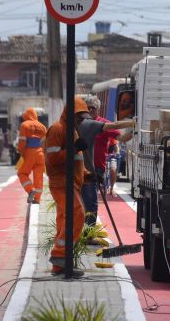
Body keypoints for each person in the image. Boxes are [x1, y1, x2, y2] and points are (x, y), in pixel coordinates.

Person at [44, 96, 91, 277]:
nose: (81, 120)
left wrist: (88, 175)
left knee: (64, 221)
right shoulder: (57, 129)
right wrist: (74, 147)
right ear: (70, 114)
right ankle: (60, 256)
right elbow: (53, 159)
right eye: (78, 116)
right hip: (61, 183)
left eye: (82, 117)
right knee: (75, 214)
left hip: (72, 183)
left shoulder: (73, 131)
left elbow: (77, 162)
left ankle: (59, 265)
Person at [77, 95, 134, 226]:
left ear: (97, 109)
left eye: (93, 108)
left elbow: (122, 138)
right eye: (88, 108)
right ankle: (80, 230)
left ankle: (88, 231)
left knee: (90, 200)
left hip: (95, 168)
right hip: (77, 167)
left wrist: (133, 131)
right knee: (79, 201)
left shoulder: (102, 123)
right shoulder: (77, 123)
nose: (90, 111)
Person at [17, 108, 48, 204]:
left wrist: (21, 153)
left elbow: (22, 142)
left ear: (26, 116)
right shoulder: (42, 127)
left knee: (22, 173)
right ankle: (37, 199)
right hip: (41, 154)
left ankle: (30, 190)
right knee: (38, 176)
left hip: (30, 153)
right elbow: (45, 143)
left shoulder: (24, 125)